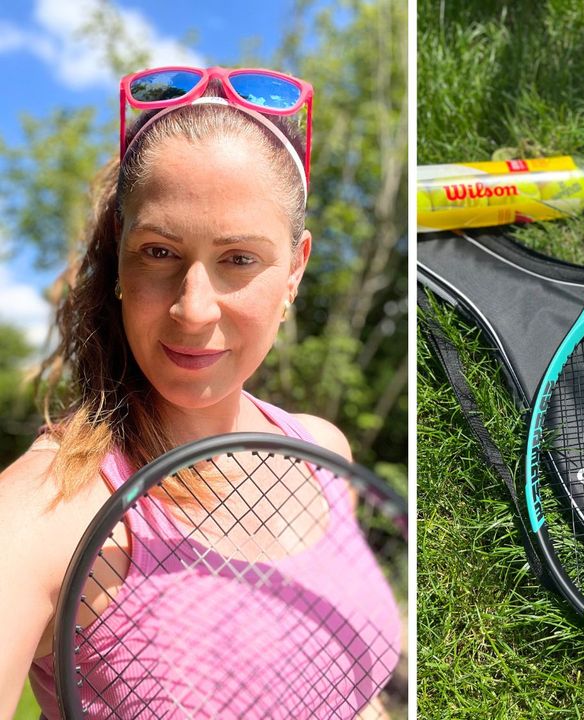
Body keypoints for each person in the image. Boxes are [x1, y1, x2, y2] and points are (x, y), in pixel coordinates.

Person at [0, 67, 400, 719]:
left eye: (239, 259)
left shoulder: (324, 452)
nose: (194, 308)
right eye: (160, 253)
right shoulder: (40, 515)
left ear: (295, 270)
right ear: (121, 261)